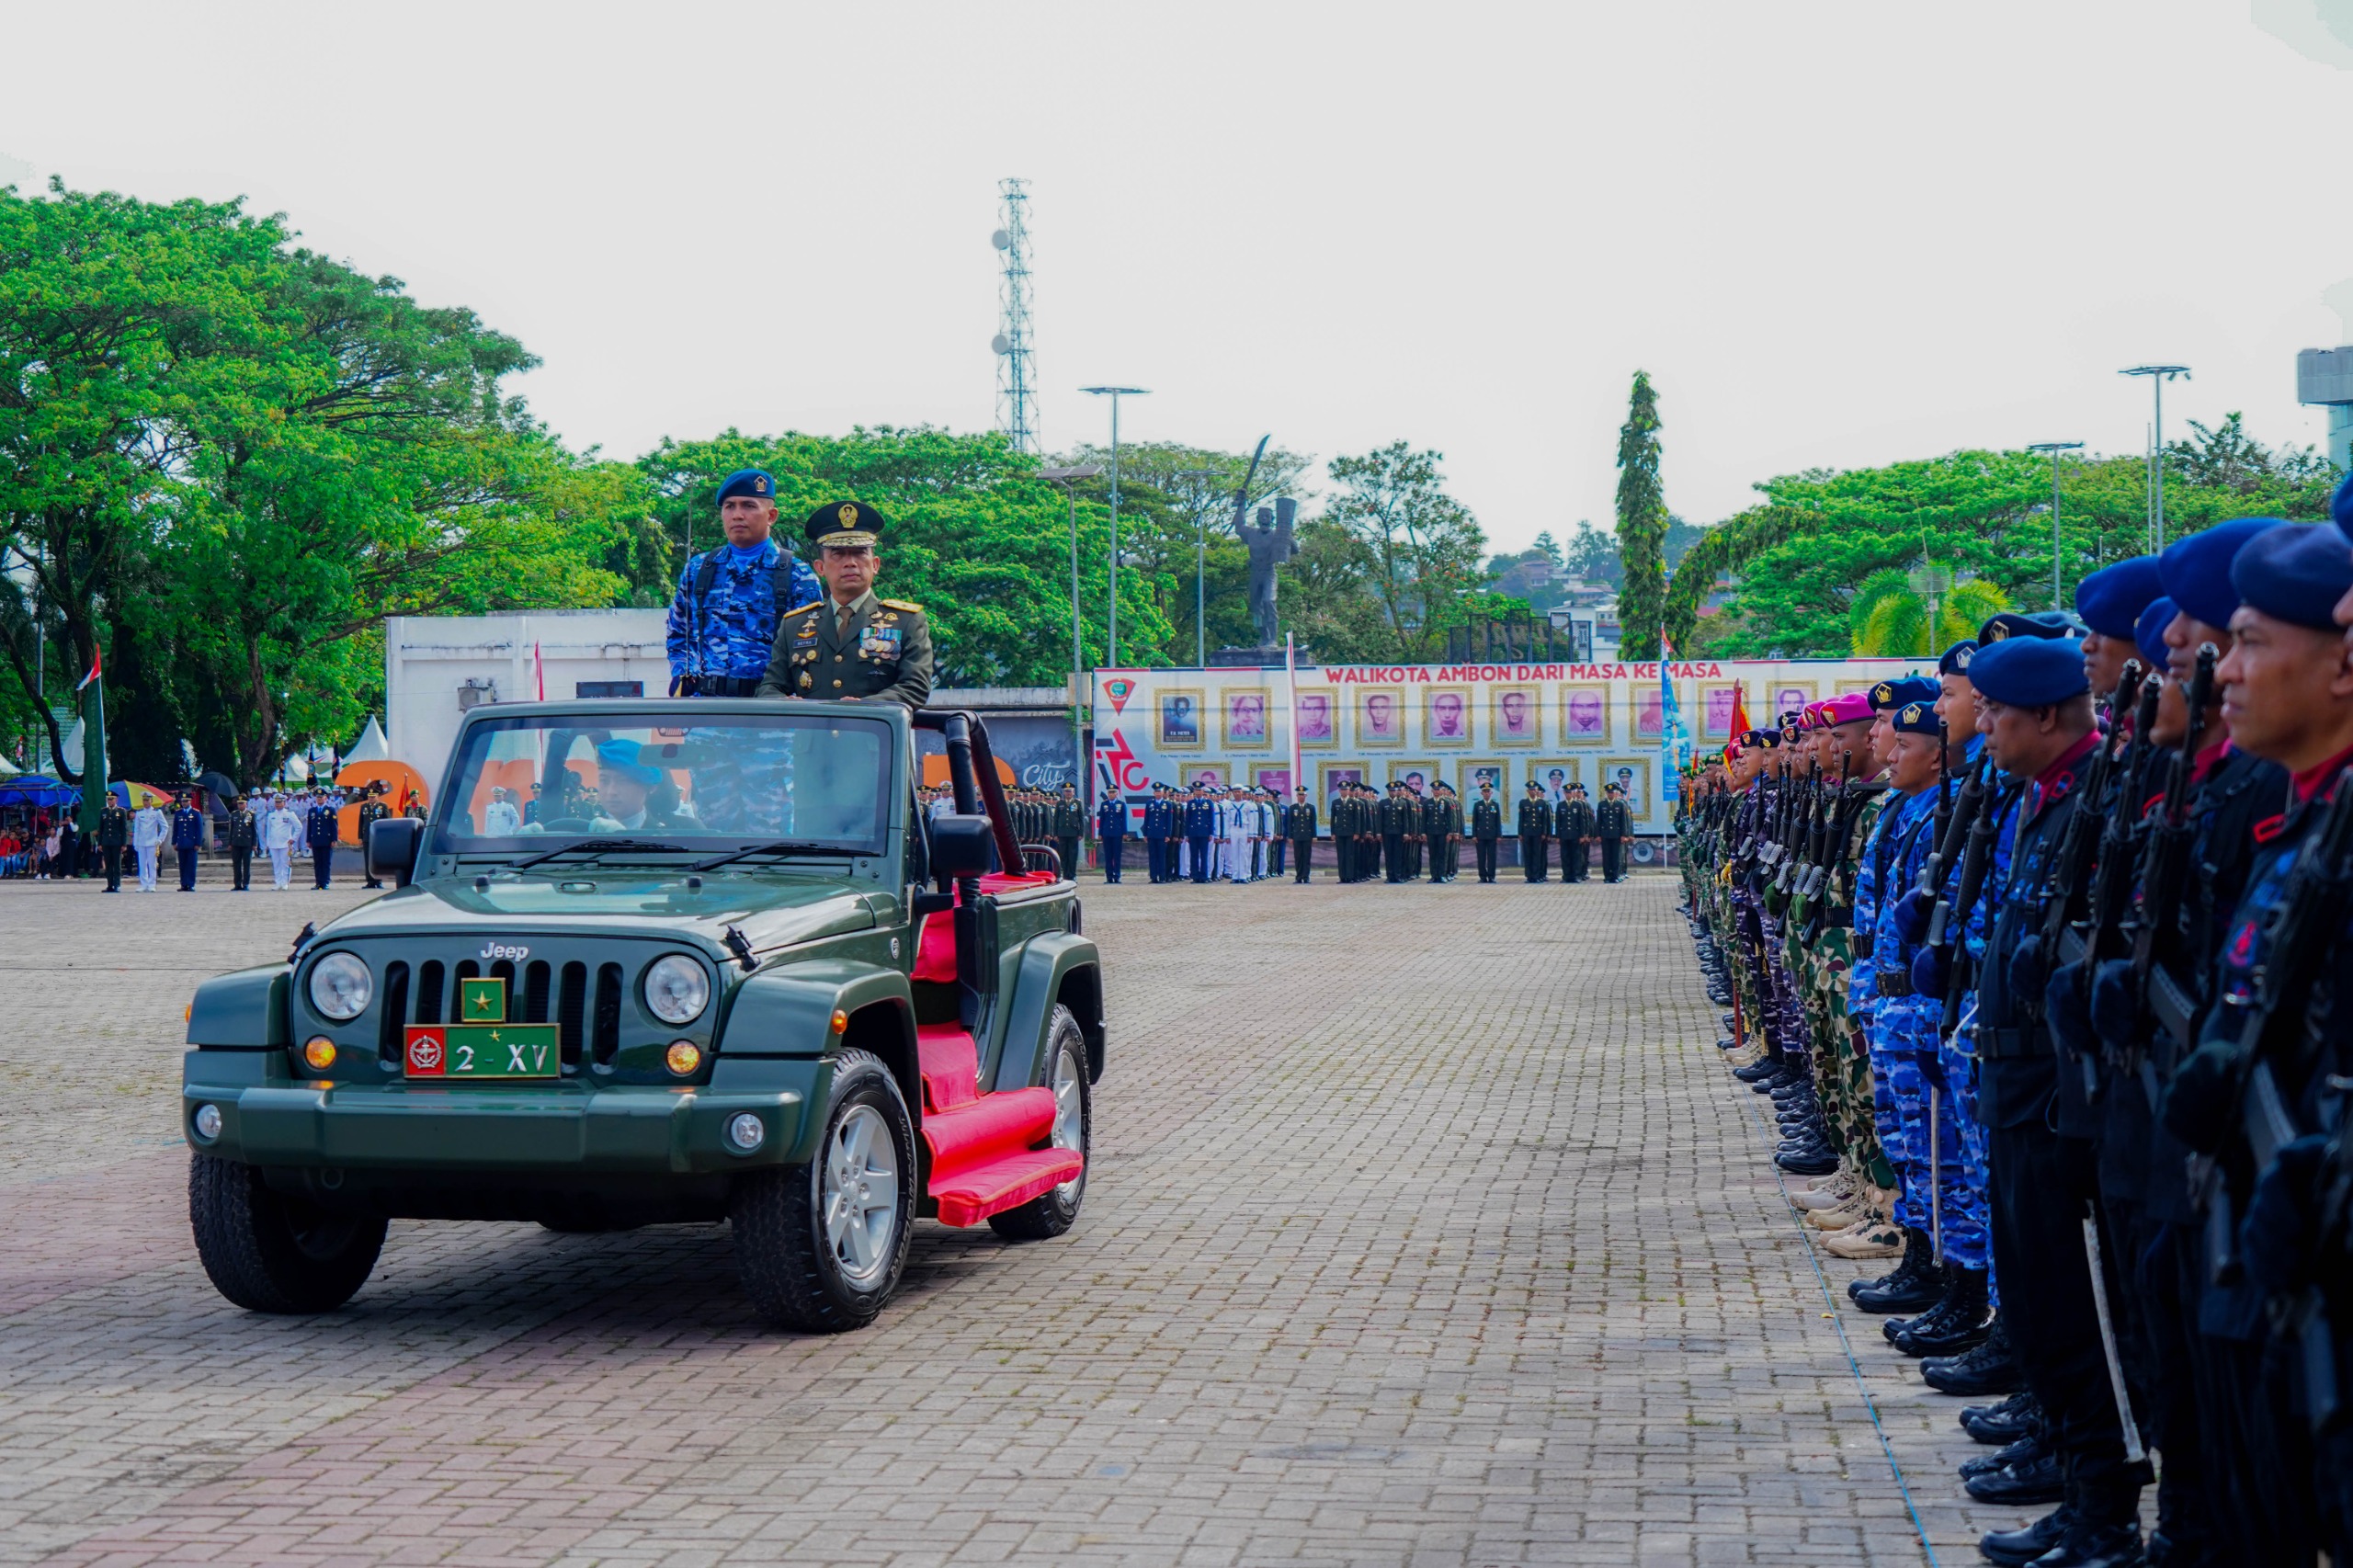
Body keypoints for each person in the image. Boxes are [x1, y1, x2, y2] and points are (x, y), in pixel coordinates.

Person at [758, 501, 933, 708]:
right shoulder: (794, 626)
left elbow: (915, 687)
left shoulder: (906, 621)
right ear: (820, 567)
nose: (850, 562)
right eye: (838, 553)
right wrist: (787, 704)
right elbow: (769, 688)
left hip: (875, 736)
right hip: (812, 737)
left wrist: (863, 709)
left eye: (860, 552)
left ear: (875, 564)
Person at [665, 467, 821, 698]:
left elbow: (810, 648)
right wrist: (683, 675)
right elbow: (678, 633)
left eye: (749, 506)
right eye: (730, 506)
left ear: (771, 516)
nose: (737, 515)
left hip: (770, 714)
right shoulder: (698, 569)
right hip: (707, 715)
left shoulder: (797, 575)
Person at [1557, 782, 1594, 883]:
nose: (1568, 794)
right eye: (1567, 792)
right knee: (1565, 856)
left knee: (1576, 856)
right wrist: (1558, 836)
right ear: (1564, 793)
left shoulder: (1578, 805)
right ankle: (1566, 876)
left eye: (1570, 792)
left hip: (1575, 835)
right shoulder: (1561, 805)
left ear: (1573, 793)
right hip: (1564, 835)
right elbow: (1558, 822)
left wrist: (1583, 835)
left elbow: (1582, 821)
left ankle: (1576, 876)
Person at [1596, 781, 1631, 882]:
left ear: (1616, 793)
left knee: (1616, 856)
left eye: (1612, 792)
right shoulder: (1601, 804)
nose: (1610, 794)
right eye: (1608, 793)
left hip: (1616, 834)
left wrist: (1624, 835)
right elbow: (1599, 821)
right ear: (1606, 793)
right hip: (1605, 834)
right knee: (1606, 857)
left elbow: (1623, 821)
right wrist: (1598, 834)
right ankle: (1607, 877)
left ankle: (1615, 876)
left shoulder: (1620, 804)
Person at [303, 790, 340, 889]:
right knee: (317, 863)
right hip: (315, 840)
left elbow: (334, 826)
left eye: (321, 797)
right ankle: (318, 882)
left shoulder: (330, 810)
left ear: (326, 798)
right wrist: (308, 840)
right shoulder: (312, 811)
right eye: (318, 797)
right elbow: (310, 826)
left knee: (326, 862)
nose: (319, 799)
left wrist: (334, 839)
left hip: (326, 840)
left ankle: (325, 882)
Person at [171, 791, 206, 892]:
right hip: (181, 843)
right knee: (182, 865)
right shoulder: (178, 813)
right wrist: (174, 842)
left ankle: (190, 884)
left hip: (192, 843)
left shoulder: (196, 813)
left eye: (186, 801)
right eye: (183, 801)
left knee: (191, 865)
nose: (184, 803)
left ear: (190, 801)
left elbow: (199, 830)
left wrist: (198, 843)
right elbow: (175, 829)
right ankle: (183, 884)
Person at [132, 797, 168, 892]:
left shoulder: (157, 812)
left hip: (152, 842)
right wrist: (135, 843)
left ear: (151, 801)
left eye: (147, 800)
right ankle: (143, 884)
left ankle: (152, 884)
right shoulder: (139, 813)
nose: (145, 802)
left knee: (152, 864)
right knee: (142, 864)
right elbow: (136, 829)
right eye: (144, 800)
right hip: (142, 842)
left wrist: (160, 839)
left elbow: (165, 826)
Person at [357, 785, 389, 890]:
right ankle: (370, 881)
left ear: (377, 796)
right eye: (370, 796)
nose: (371, 798)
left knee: (377, 860)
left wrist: (385, 837)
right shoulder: (364, 807)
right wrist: (360, 837)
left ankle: (378, 881)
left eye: (373, 796)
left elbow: (387, 822)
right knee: (368, 860)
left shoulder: (382, 806)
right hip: (367, 836)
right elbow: (361, 823)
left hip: (378, 837)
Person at [1517, 780, 1551, 882]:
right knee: (1528, 854)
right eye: (1530, 790)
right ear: (1528, 791)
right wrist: (1520, 833)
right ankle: (1529, 876)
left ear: (1537, 790)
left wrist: (1544, 833)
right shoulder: (1523, 802)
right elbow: (1521, 819)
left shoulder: (1542, 803)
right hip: (1527, 832)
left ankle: (1536, 876)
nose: (1533, 792)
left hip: (1538, 833)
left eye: (1534, 790)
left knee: (1537, 854)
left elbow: (1544, 819)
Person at [1183, 784, 1216, 884]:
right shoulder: (1190, 803)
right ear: (1194, 792)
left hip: (1204, 832)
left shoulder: (1209, 803)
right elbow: (1187, 819)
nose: (1198, 792)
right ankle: (1195, 876)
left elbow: (1211, 819)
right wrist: (1187, 834)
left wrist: (1211, 833)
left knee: (1204, 855)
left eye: (1200, 790)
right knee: (1194, 855)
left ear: (1203, 792)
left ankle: (1204, 875)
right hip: (1193, 832)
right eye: (1196, 790)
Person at [1471, 780, 1502, 882]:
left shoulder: (1495, 805)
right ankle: (1483, 877)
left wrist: (1499, 835)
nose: (1487, 793)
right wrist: (1474, 835)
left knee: (1492, 857)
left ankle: (1492, 876)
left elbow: (1498, 821)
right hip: (1481, 835)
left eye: (1488, 791)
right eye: (1485, 792)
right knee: (1481, 857)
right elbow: (1474, 821)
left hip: (1492, 835)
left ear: (1491, 793)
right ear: (1481, 793)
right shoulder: (1477, 805)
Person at [97, 794, 130, 892]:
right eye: (108, 799)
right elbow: (101, 828)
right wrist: (100, 843)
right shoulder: (103, 811)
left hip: (117, 842)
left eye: (112, 799)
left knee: (117, 865)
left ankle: (117, 885)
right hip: (106, 842)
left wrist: (124, 843)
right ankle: (109, 885)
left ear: (116, 800)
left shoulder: (121, 811)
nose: (110, 801)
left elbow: (123, 829)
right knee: (108, 865)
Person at [1093, 790, 1127, 883]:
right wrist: (1100, 833)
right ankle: (1109, 877)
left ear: (1116, 794)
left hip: (1117, 833)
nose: (1111, 794)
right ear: (1108, 794)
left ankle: (1117, 876)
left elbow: (1124, 819)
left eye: (1113, 792)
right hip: (1106, 833)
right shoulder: (1104, 804)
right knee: (1108, 856)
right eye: (1110, 793)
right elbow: (1102, 819)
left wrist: (1124, 832)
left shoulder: (1121, 804)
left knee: (1117, 856)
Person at [226, 796, 258, 892]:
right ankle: (237, 884)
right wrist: (230, 843)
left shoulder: (250, 814)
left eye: (242, 803)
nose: (240, 805)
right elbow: (232, 829)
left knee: (246, 864)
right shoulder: (234, 814)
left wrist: (254, 844)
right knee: (236, 864)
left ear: (246, 804)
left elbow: (254, 830)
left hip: (247, 843)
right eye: (239, 803)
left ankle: (246, 884)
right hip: (236, 842)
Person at [1054, 784, 1086, 880]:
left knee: (1072, 855)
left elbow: (1081, 819)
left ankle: (1072, 874)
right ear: (1064, 792)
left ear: (1073, 792)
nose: (1068, 793)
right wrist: (1055, 834)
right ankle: (1065, 875)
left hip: (1073, 832)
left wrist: (1081, 833)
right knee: (1063, 854)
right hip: (1062, 832)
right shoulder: (1060, 803)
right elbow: (1056, 819)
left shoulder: (1077, 803)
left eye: (1070, 791)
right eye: (1066, 791)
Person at [1286, 787, 1316, 882]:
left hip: (1307, 836)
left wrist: (1314, 836)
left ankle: (1306, 877)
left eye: (1302, 794)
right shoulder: (1292, 808)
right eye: (1299, 794)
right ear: (1297, 796)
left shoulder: (1311, 807)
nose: (1301, 796)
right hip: (1297, 836)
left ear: (1306, 796)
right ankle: (1299, 877)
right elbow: (1290, 823)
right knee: (1298, 857)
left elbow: (1313, 823)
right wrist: (1290, 836)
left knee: (1307, 857)